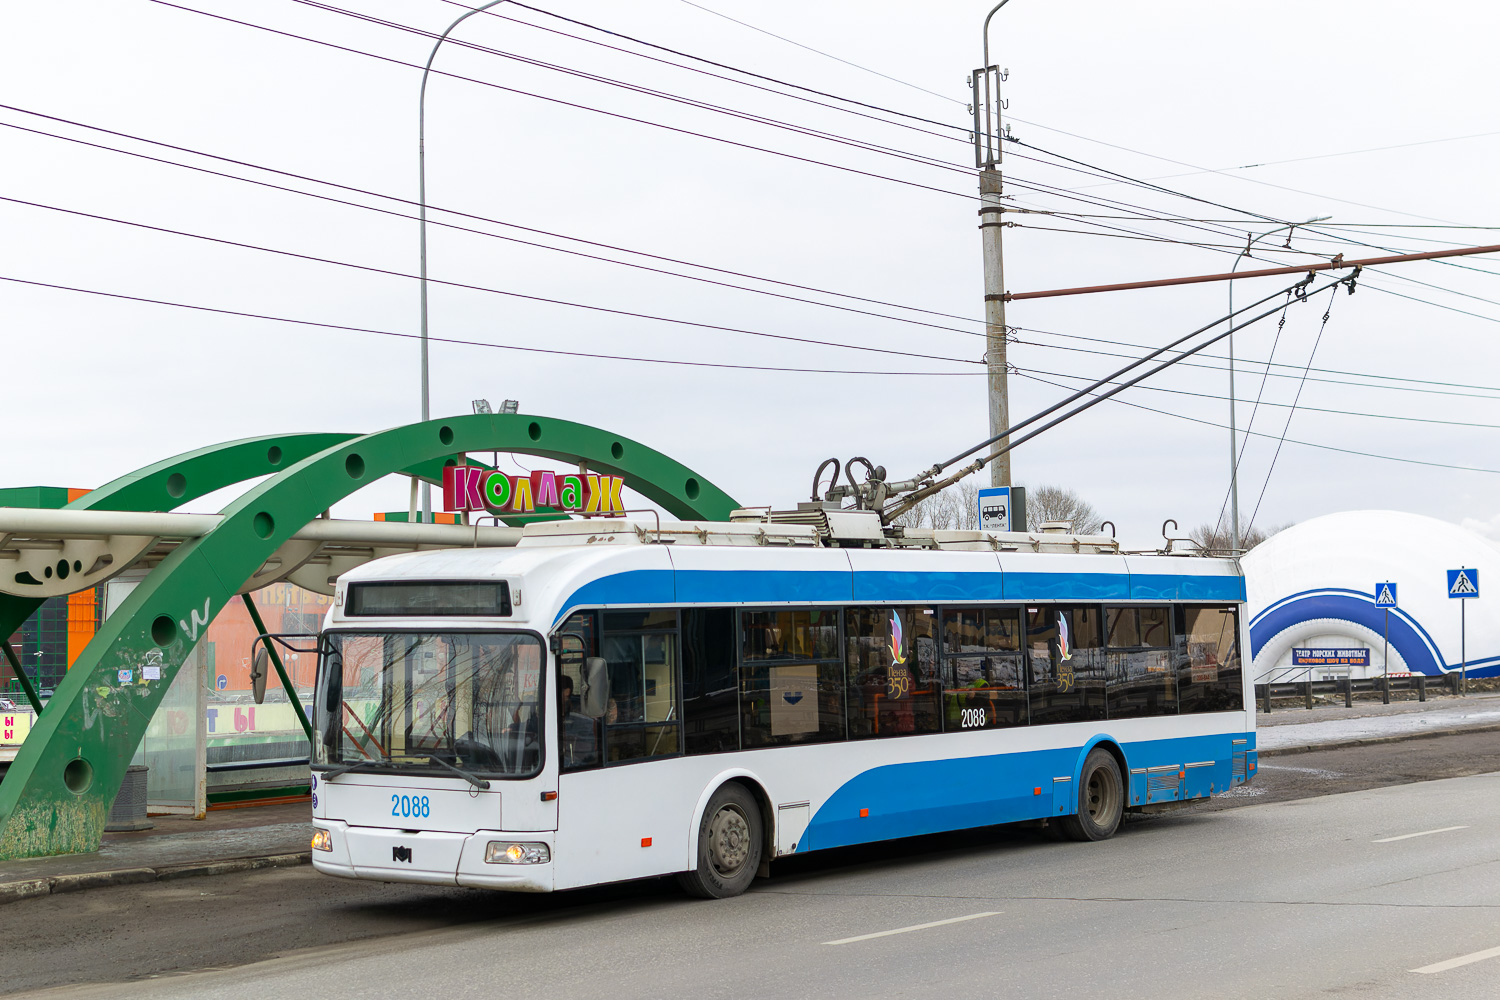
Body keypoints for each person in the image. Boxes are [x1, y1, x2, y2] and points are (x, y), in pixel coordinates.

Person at [557, 674, 599, 768]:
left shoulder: (582, 719)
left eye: (565, 696)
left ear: (567, 692)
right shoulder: (550, 717)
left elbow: (587, 753)